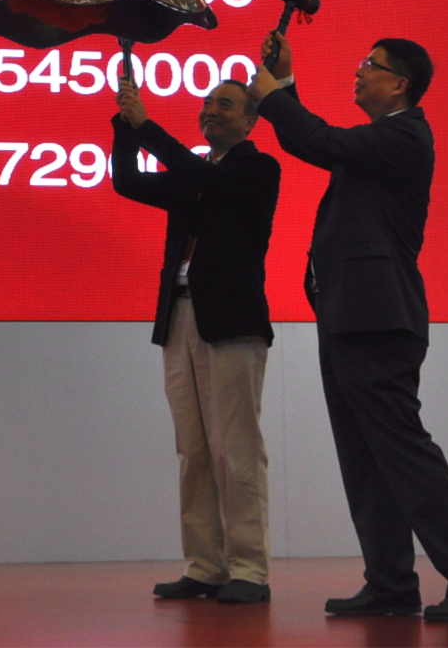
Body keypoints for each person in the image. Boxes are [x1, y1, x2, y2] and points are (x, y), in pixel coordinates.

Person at [248, 33, 448, 624]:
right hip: (349, 315)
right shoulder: (377, 142)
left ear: (400, 84)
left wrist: (273, 95)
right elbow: (317, 142)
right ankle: (390, 582)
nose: (359, 72)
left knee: (401, 450)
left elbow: (318, 140)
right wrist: (284, 83)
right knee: (365, 457)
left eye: (372, 65)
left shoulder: (405, 135)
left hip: (378, 319)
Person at [111, 70, 282, 605]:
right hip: (179, 318)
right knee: (193, 449)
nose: (211, 110)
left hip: (230, 322)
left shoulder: (258, 169)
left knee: (235, 447)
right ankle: (206, 565)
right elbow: (127, 182)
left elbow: (208, 179)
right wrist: (125, 124)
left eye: (225, 105)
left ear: (250, 122)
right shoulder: (195, 172)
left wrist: (148, 126)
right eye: (208, 103)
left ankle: (249, 569)